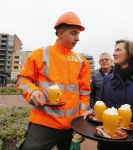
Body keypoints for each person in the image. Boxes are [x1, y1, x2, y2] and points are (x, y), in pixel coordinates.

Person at [16, 12, 91, 150]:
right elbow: (22, 79)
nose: (77, 38)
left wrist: (80, 123)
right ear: (60, 33)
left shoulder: (82, 62)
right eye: (74, 33)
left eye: (78, 34)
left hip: (72, 126)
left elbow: (84, 94)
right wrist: (32, 91)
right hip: (43, 124)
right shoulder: (39, 54)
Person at [83, 39, 133, 150]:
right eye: (114, 50)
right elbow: (103, 104)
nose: (114, 53)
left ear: (130, 54)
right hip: (108, 141)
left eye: (118, 50)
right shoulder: (107, 79)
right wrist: (94, 111)